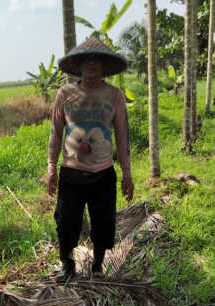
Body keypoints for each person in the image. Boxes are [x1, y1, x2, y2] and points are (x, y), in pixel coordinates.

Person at [47, 36, 134, 281]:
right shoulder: (65, 94)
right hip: (71, 172)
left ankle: (97, 266)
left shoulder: (114, 95)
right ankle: (67, 265)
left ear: (104, 66)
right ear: (79, 65)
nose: (92, 65)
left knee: (103, 223)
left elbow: (122, 136)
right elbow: (55, 132)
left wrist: (127, 174)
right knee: (66, 222)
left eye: (97, 61)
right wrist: (51, 169)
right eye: (87, 60)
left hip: (103, 172)